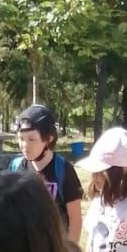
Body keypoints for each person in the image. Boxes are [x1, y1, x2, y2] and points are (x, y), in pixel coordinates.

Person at [9, 103, 83, 240]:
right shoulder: (15, 167)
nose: (25, 145)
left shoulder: (63, 170)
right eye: (21, 139)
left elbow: (75, 219)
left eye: (32, 139)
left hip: (54, 251)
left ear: (49, 139)